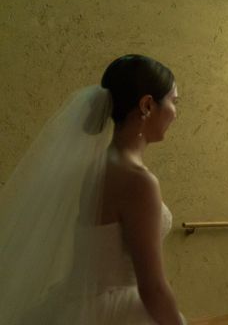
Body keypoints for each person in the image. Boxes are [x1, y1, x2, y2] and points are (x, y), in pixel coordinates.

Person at [0, 54, 185, 324]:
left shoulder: (100, 166)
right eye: (173, 102)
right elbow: (153, 289)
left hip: (77, 304)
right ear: (147, 105)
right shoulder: (138, 180)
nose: (175, 113)